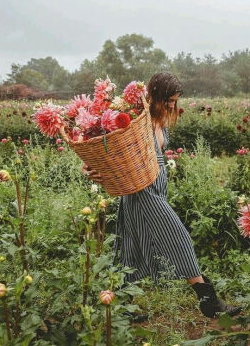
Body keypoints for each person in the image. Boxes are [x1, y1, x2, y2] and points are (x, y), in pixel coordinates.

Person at [83, 72, 241, 319]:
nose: (171, 105)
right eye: (168, 100)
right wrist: (92, 168)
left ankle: (122, 306)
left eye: (175, 101)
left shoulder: (160, 120)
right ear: (155, 95)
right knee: (178, 238)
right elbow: (105, 146)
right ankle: (207, 298)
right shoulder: (137, 120)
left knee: (132, 246)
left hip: (156, 188)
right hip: (141, 191)